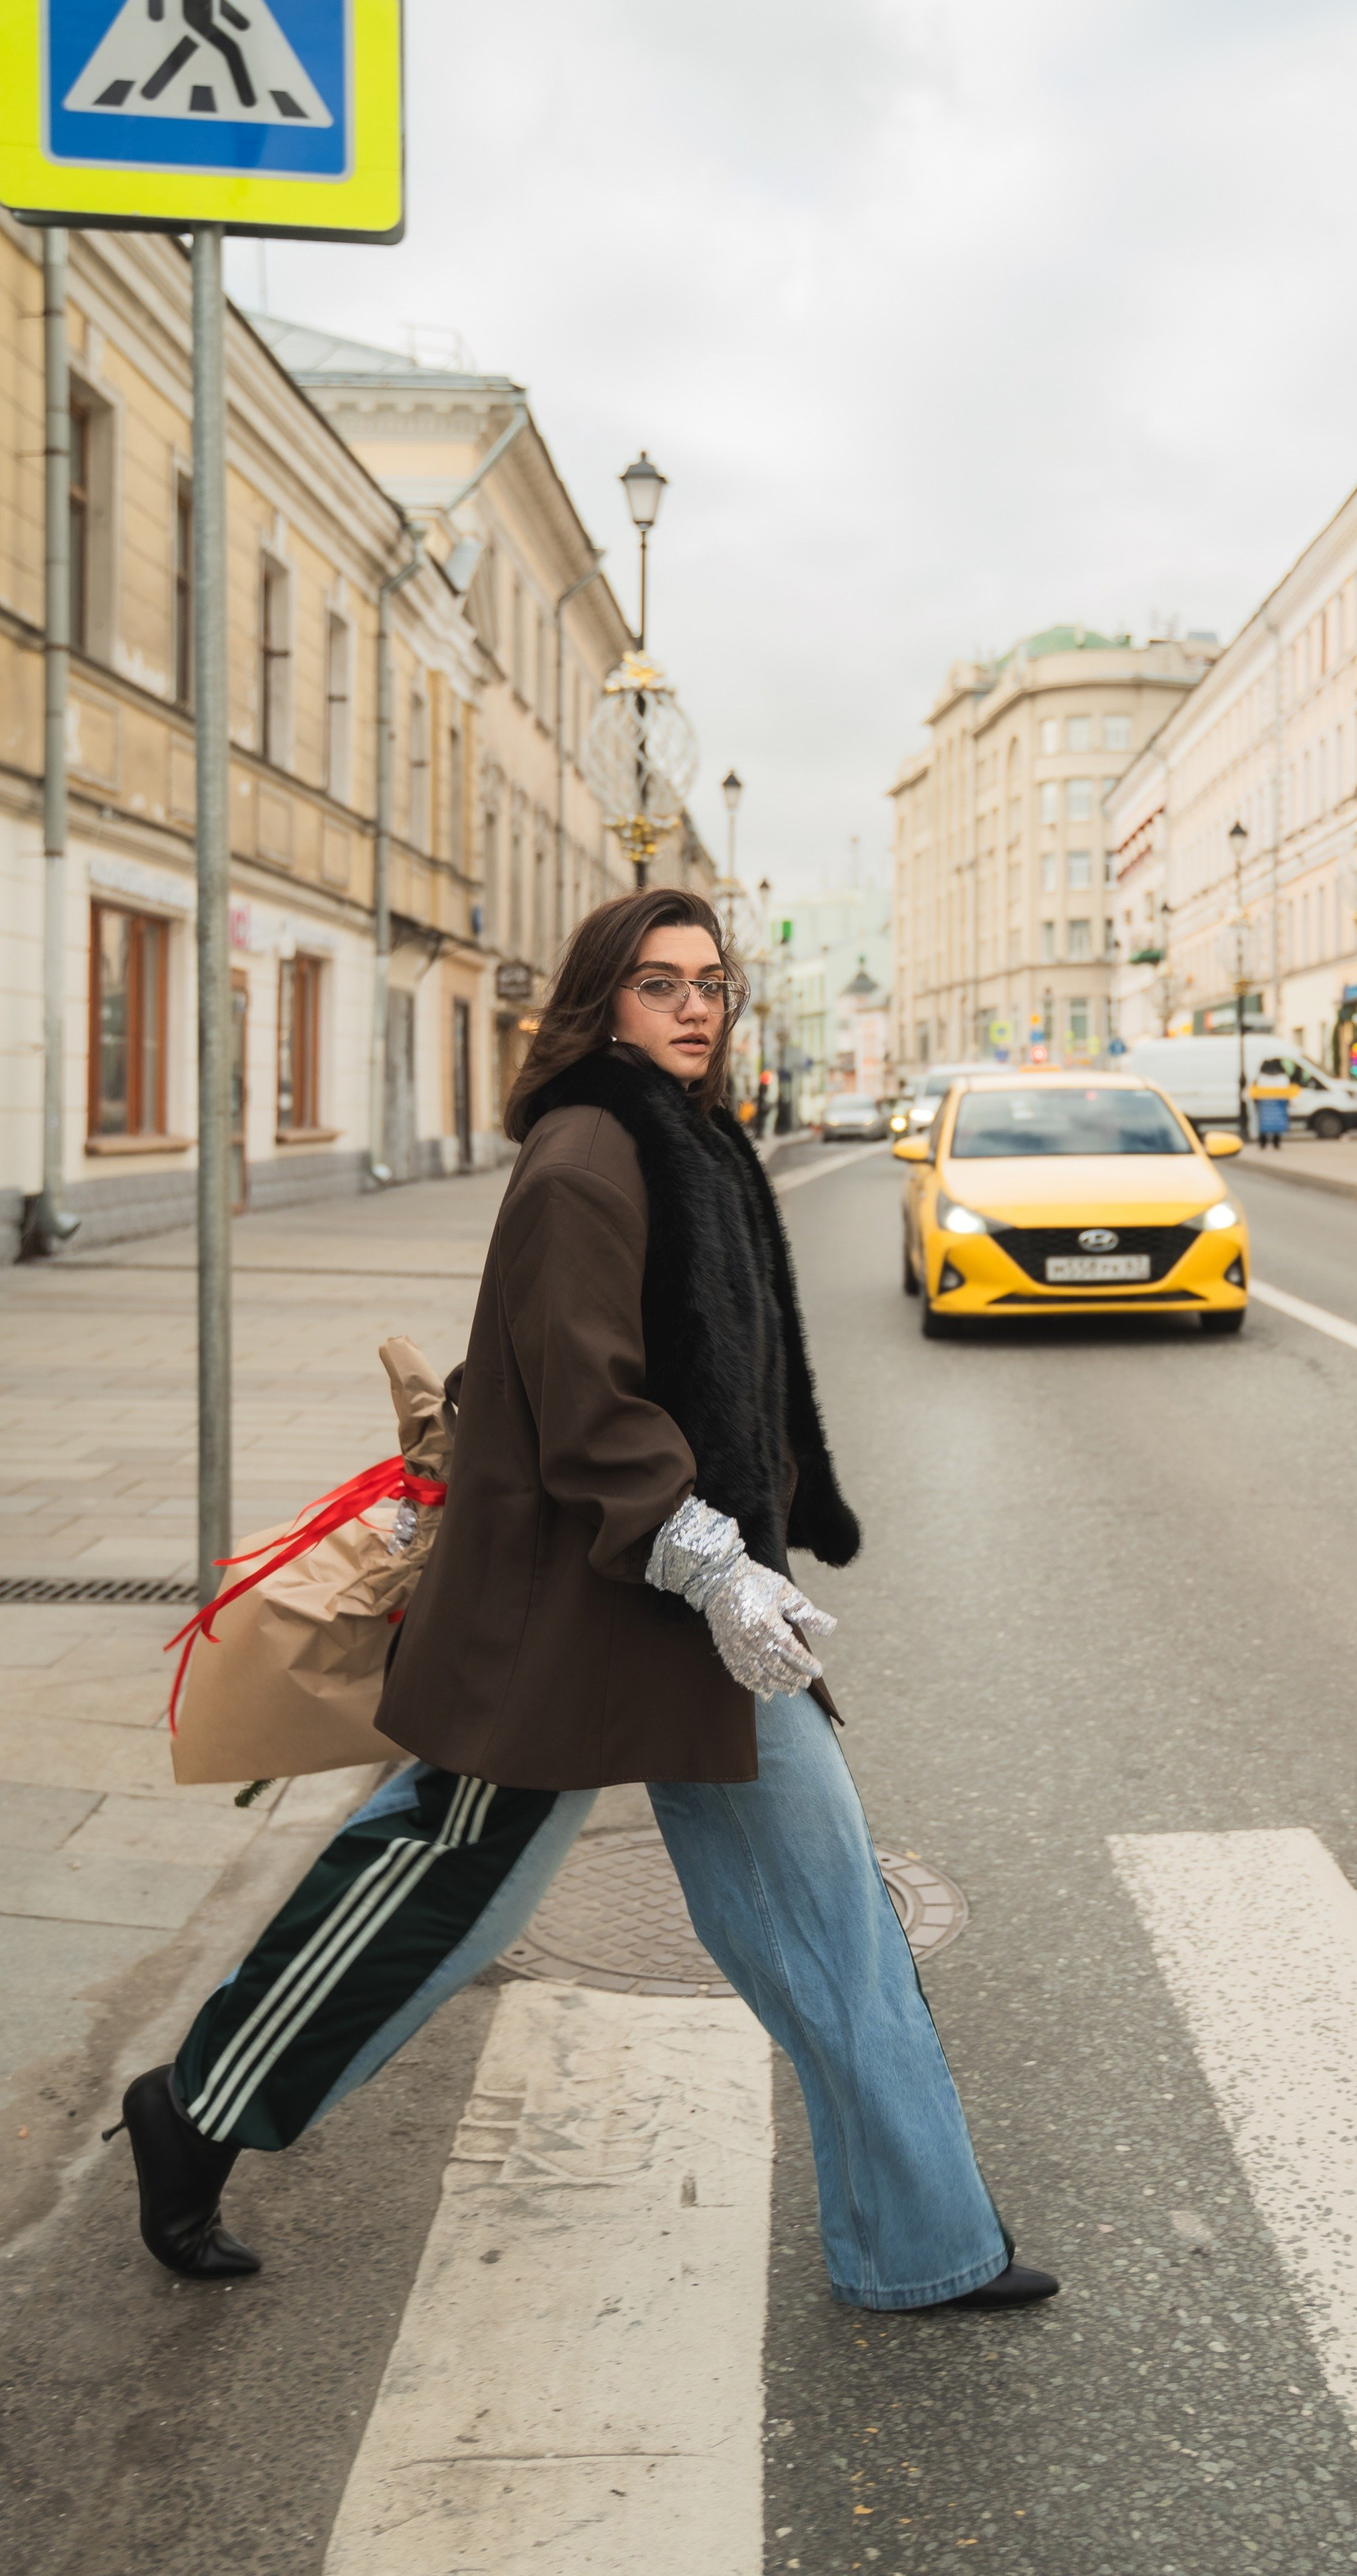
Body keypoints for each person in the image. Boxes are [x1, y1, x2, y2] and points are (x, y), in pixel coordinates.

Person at [111, 888, 1054, 2318]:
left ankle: (920, 2244)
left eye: (711, 984)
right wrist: (711, 1556)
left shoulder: (689, 1140)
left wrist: (745, 1555)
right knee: (436, 1893)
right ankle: (198, 2107)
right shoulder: (586, 1154)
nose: (694, 1007)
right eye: (660, 983)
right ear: (600, 1001)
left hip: (691, 1613)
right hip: (578, 1611)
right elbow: (584, 1395)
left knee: (832, 1917)